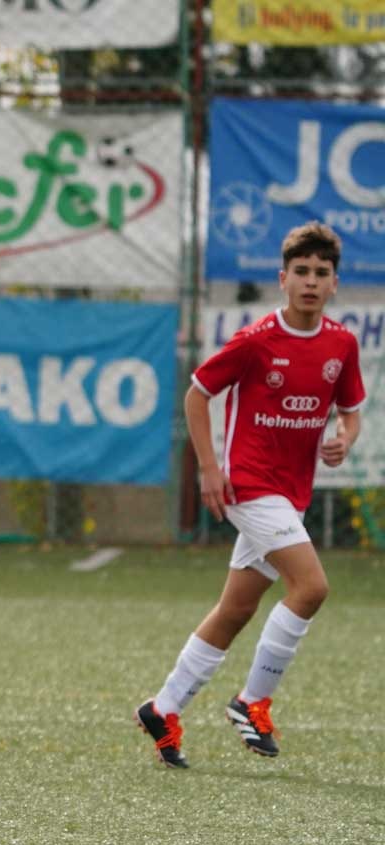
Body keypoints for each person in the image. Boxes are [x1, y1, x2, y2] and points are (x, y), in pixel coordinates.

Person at [135, 221, 364, 769]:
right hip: (249, 484)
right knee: (310, 588)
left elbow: (351, 412)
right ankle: (252, 700)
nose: (311, 281)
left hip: (290, 494)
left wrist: (344, 439)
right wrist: (209, 469)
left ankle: (163, 708)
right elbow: (197, 395)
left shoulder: (341, 343)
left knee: (236, 608)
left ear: (334, 284)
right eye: (301, 272)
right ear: (283, 279)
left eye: (321, 273)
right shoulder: (257, 340)